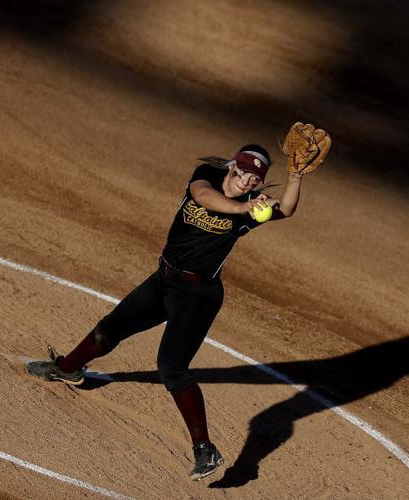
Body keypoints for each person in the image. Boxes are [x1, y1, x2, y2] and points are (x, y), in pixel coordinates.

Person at [27, 144, 303, 480]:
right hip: (164, 280)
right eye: (244, 172)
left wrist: (296, 176)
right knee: (108, 330)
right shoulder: (208, 178)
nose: (247, 180)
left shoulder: (251, 209)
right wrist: (242, 206)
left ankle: (205, 450)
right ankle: (67, 369)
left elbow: (286, 209)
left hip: (198, 296)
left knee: (172, 367)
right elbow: (203, 197)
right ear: (233, 166)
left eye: (255, 178)